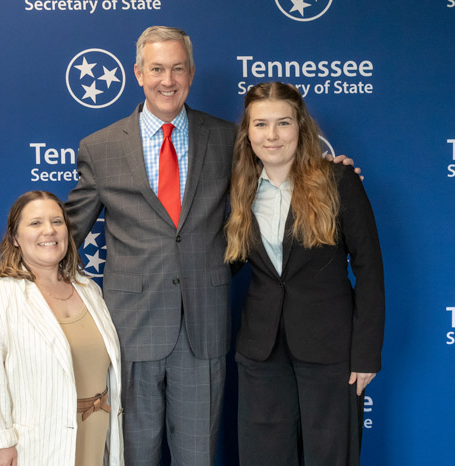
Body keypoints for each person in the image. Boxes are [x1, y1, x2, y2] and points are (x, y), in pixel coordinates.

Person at [65, 26, 357, 465]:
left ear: (192, 73)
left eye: (178, 69)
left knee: (197, 455)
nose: (168, 80)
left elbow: (280, 173)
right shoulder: (100, 147)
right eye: (157, 69)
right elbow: (69, 231)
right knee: (134, 456)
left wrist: (333, 172)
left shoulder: (228, 139)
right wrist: (26, 275)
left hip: (204, 327)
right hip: (132, 328)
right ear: (138, 73)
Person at [224, 82, 385, 466]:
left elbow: (370, 269)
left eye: (283, 123)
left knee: (330, 456)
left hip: (331, 349)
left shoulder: (339, 181)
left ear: (301, 128)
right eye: (261, 125)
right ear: (247, 132)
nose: (272, 135)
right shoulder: (237, 191)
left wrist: (366, 354)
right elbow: (221, 264)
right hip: (261, 351)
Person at [0, 191, 123, 466]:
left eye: (57, 221)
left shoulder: (89, 290)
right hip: (34, 449)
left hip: (93, 440)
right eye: (35, 223)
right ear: (14, 238)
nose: (49, 230)